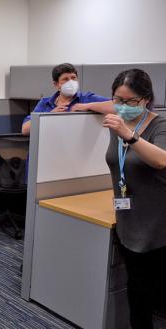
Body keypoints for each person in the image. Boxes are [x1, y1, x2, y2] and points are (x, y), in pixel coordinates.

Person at [75, 69, 166, 329]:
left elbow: (160, 160)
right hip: (128, 218)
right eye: (118, 100)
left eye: (131, 101)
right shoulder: (118, 121)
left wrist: (129, 135)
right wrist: (83, 105)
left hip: (157, 222)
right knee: (138, 293)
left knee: (144, 293)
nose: (122, 106)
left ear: (147, 99)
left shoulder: (159, 125)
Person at [21, 63, 110, 136]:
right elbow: (25, 130)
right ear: (56, 84)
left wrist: (88, 106)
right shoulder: (45, 103)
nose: (71, 82)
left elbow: (116, 106)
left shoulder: (86, 98)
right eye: (65, 79)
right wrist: (49, 115)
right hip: (45, 152)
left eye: (73, 78)